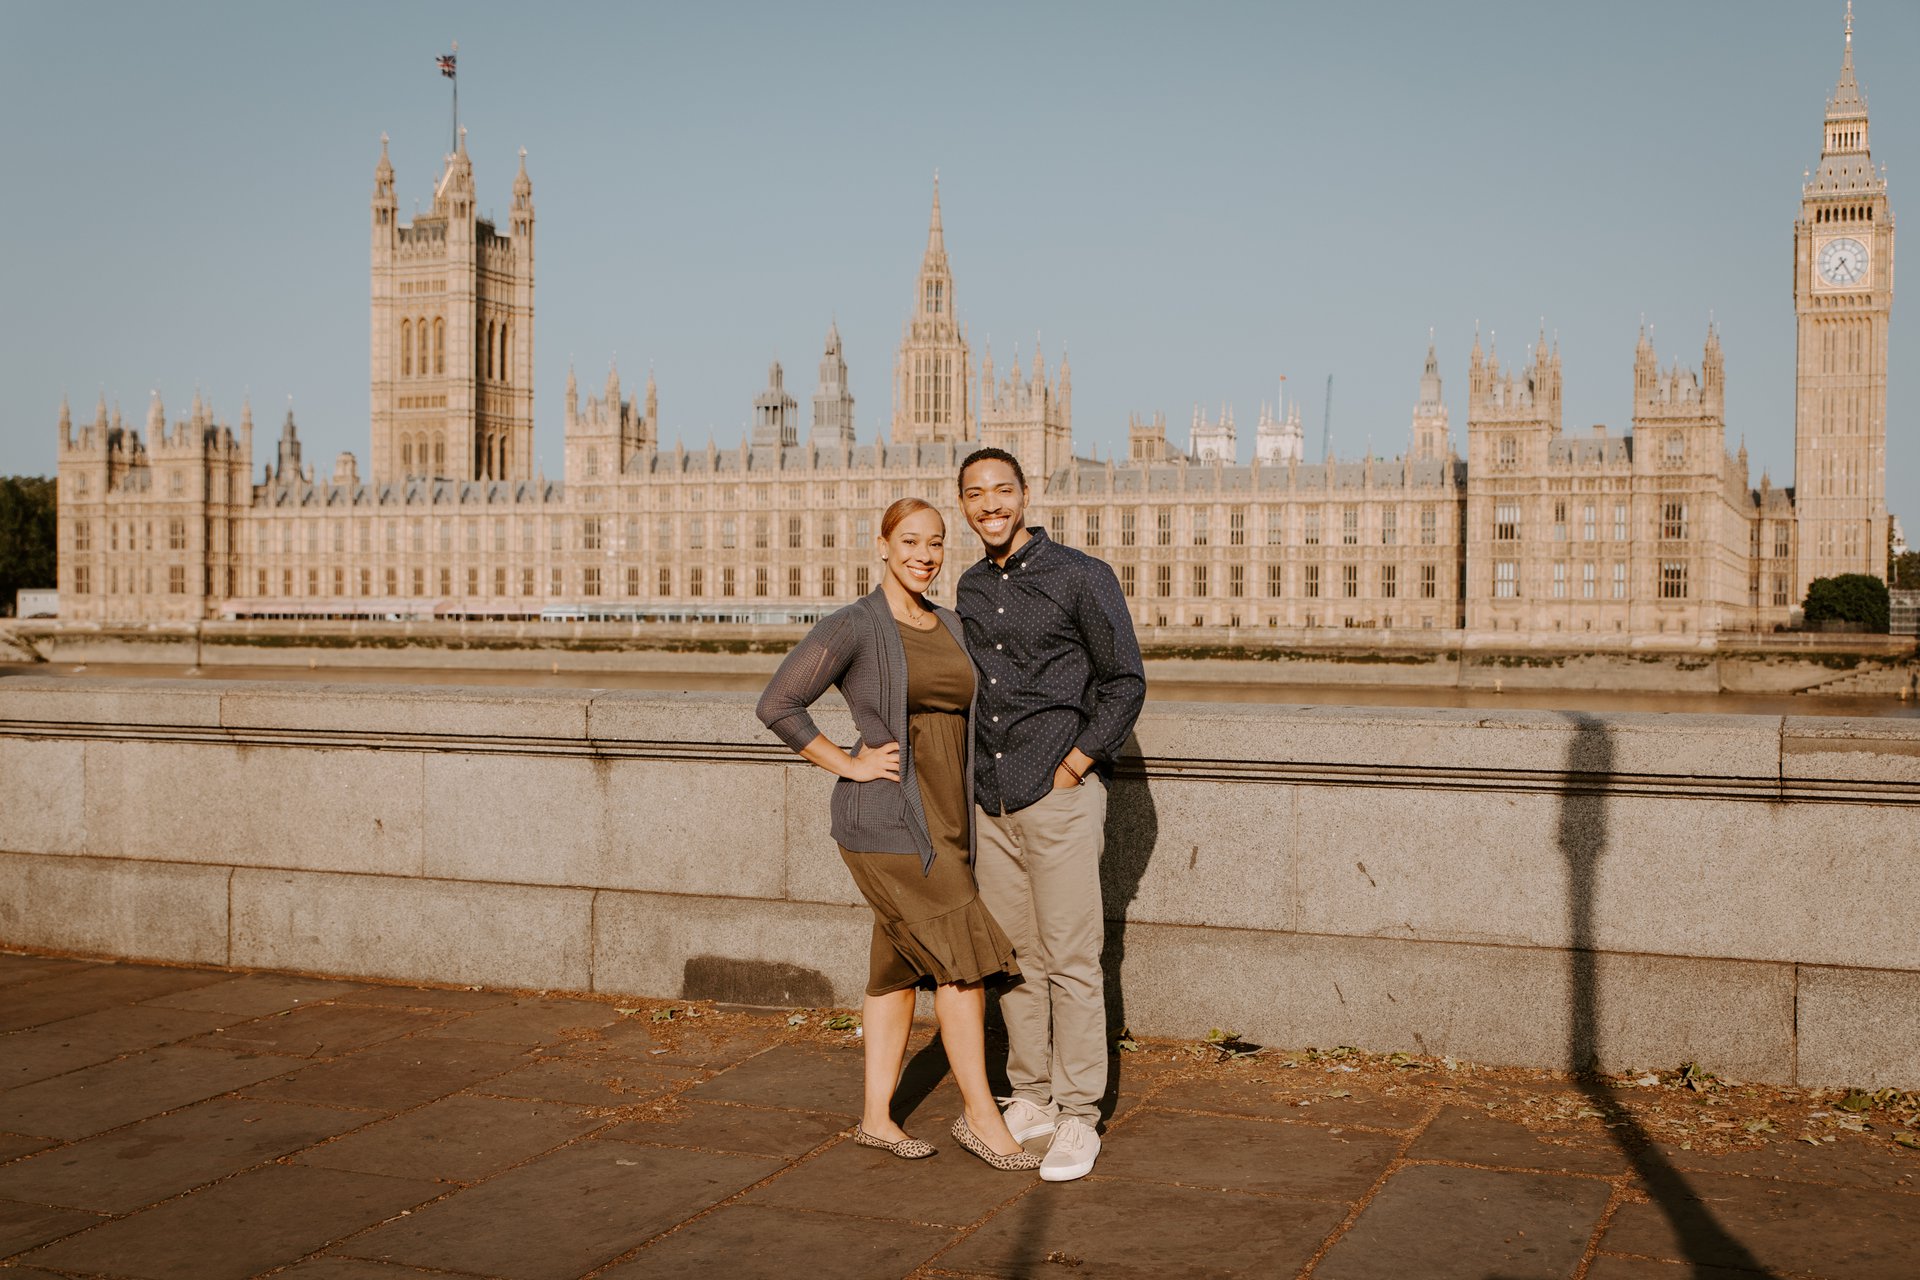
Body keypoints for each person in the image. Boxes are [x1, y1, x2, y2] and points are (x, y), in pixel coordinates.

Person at [756, 497, 1041, 1171]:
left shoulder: (952, 623)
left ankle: (877, 1119)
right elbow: (778, 703)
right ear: (882, 545)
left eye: (936, 542)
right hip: (887, 819)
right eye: (910, 541)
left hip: (947, 818)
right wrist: (849, 763)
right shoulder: (856, 624)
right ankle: (982, 1118)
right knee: (962, 963)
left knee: (895, 969)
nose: (925, 554)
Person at [955, 447, 1146, 1183]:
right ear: (964, 506)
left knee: (1071, 959)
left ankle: (1079, 1114)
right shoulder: (970, 586)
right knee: (1017, 961)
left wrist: (1076, 764)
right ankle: (1031, 1096)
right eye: (976, 494)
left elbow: (1125, 681)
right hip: (993, 798)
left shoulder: (1081, 575)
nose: (990, 504)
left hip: (1057, 793)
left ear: (1026, 494)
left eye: (1002, 489)